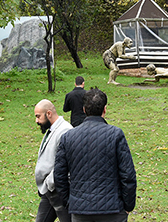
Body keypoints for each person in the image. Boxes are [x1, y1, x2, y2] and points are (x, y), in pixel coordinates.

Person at [54, 88, 137, 221]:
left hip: (82, 209)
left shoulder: (68, 137)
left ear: (84, 110)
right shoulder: (115, 135)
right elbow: (127, 174)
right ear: (104, 109)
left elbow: (59, 175)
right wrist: (128, 205)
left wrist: (69, 202)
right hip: (112, 209)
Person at [34, 99, 73, 222]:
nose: (36, 121)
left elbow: (66, 162)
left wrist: (49, 183)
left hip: (58, 190)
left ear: (49, 113)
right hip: (49, 191)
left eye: (38, 116)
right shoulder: (52, 129)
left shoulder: (65, 131)